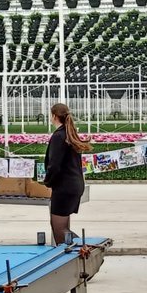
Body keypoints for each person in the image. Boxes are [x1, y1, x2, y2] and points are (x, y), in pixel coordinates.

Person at [43, 102, 92, 245]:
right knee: (63, 227)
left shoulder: (59, 136)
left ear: (54, 116)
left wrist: (47, 182)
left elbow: (54, 165)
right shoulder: (69, 134)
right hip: (74, 185)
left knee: (59, 229)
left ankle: (85, 249)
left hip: (64, 187)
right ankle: (81, 249)